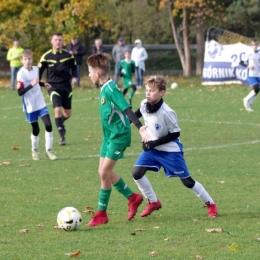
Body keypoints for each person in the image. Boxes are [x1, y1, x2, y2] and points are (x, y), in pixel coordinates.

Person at [131, 75, 218, 218]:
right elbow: (136, 115)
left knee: (187, 181)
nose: (148, 93)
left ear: (162, 93)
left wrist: (155, 142)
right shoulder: (144, 104)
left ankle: (211, 204)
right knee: (136, 173)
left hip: (170, 151)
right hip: (153, 150)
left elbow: (175, 133)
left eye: (152, 91)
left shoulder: (167, 112)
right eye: (147, 90)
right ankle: (153, 201)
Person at [86, 53, 150, 227]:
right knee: (103, 172)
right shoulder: (104, 87)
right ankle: (132, 197)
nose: (89, 75)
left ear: (97, 74)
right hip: (108, 137)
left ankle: (102, 214)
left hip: (119, 136)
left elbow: (127, 108)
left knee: (104, 173)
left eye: (90, 71)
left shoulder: (111, 89)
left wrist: (139, 127)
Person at [17, 50, 57, 161]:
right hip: (30, 106)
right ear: (21, 60)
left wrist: (43, 84)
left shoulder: (36, 69)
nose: (27, 61)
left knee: (48, 125)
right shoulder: (21, 74)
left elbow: (36, 81)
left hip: (40, 103)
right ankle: (34, 151)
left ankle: (49, 151)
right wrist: (32, 85)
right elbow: (20, 92)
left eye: (29, 59)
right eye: (25, 59)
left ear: (32, 59)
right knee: (36, 129)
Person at [39, 32, 78, 146]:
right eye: (55, 40)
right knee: (57, 109)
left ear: (63, 41)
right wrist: (40, 83)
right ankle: (62, 136)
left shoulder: (68, 55)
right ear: (52, 41)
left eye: (60, 40)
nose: (58, 42)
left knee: (67, 113)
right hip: (53, 86)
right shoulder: (46, 57)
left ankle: (60, 123)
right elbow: (39, 73)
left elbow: (74, 67)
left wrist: (75, 77)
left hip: (66, 86)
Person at [240, 38, 260, 112]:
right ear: (251, 45)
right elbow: (241, 62)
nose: (254, 46)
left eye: (256, 44)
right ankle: (246, 99)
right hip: (251, 74)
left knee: (257, 90)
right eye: (253, 45)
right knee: (256, 88)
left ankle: (250, 104)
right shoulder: (249, 53)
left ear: (258, 45)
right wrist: (248, 66)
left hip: (258, 74)